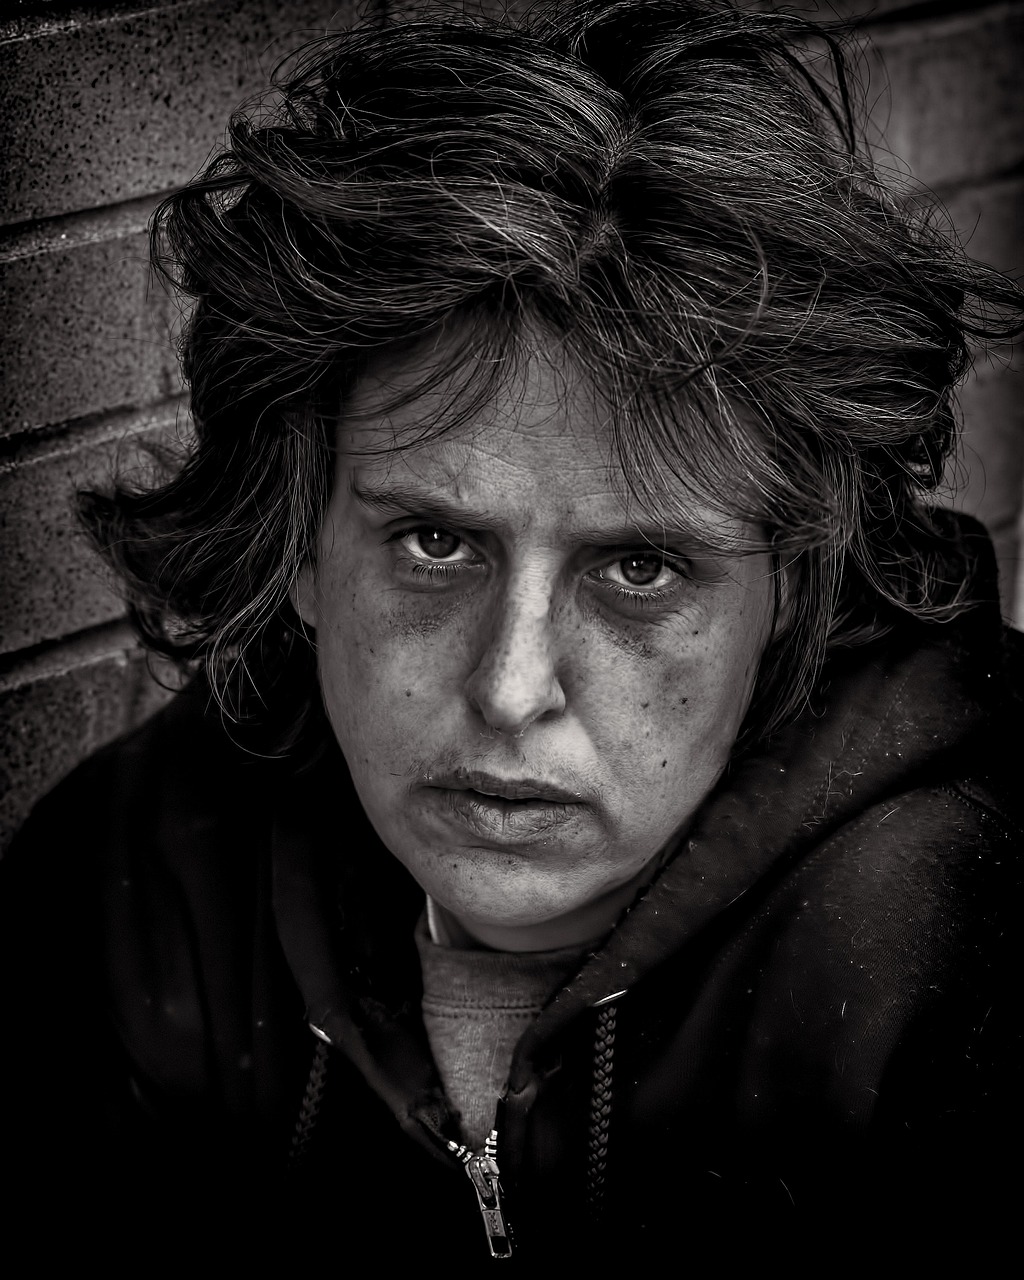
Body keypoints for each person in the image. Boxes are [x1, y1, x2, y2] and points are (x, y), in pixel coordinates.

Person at [2, 0, 1021, 1261]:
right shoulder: (147, 883)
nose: (510, 685)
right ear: (299, 546)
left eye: (640, 568)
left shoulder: (965, 946)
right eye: (435, 542)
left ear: (790, 592)